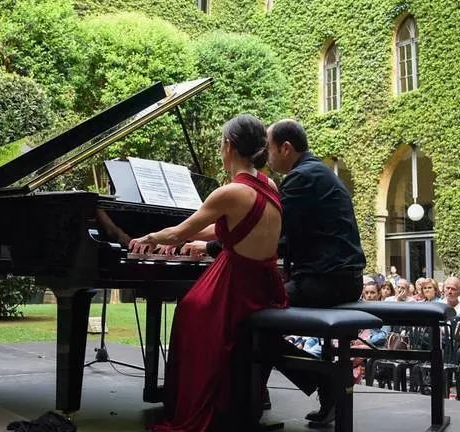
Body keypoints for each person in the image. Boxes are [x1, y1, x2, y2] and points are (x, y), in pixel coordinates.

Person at [127, 115, 287, 432]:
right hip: (265, 285)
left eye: (221, 143)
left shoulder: (229, 192)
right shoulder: (267, 185)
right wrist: (196, 237)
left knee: (189, 311)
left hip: (238, 287)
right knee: (193, 306)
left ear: (228, 147)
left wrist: (150, 238)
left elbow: (178, 233)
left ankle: (197, 404)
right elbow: (231, 227)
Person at [265, 119, 367, 426]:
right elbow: (284, 239)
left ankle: (327, 383)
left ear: (286, 148)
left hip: (327, 282)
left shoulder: (301, 178)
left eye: (269, 148)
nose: (266, 155)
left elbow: (270, 235)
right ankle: (320, 387)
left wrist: (217, 248)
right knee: (256, 318)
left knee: (252, 320)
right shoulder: (316, 172)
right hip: (343, 279)